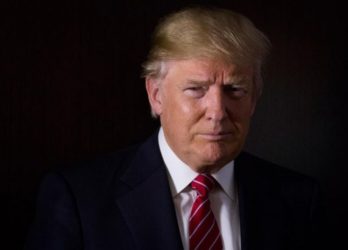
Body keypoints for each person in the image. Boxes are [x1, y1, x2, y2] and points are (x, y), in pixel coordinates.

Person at [25, 6, 327, 250]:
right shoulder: (79, 200)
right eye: (196, 89)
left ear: (255, 100)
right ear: (156, 96)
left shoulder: (299, 201)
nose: (218, 112)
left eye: (235, 89)